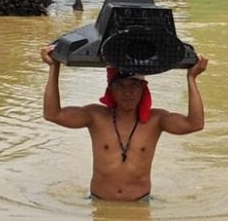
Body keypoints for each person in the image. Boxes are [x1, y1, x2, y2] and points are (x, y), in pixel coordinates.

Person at [40, 45, 208, 202]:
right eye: (120, 85)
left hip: (139, 203)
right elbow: (53, 114)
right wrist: (54, 67)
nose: (128, 92)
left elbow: (195, 124)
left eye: (134, 85)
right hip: (100, 202)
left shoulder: (156, 120)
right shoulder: (95, 116)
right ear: (110, 90)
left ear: (143, 88)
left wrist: (192, 78)